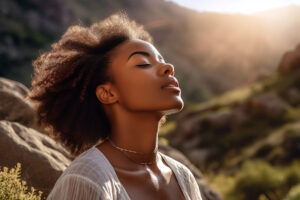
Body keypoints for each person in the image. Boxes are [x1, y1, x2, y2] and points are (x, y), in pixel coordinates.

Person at [29, 11, 202, 200]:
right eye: (143, 63)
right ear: (108, 93)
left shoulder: (183, 177)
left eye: (161, 60)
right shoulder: (87, 178)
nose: (168, 67)